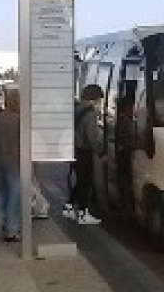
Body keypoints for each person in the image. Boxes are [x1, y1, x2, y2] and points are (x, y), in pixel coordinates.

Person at [64, 85, 105, 224]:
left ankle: (68, 207)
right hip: (84, 152)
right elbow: (91, 136)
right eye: (99, 98)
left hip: (74, 150)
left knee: (81, 181)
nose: (100, 101)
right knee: (85, 183)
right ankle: (82, 213)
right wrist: (100, 152)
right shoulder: (90, 113)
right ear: (94, 98)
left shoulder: (77, 109)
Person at [0, 89, 21, 242]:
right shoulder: (19, 119)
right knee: (14, 197)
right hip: (14, 162)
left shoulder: (0, 117)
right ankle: (11, 230)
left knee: (0, 194)